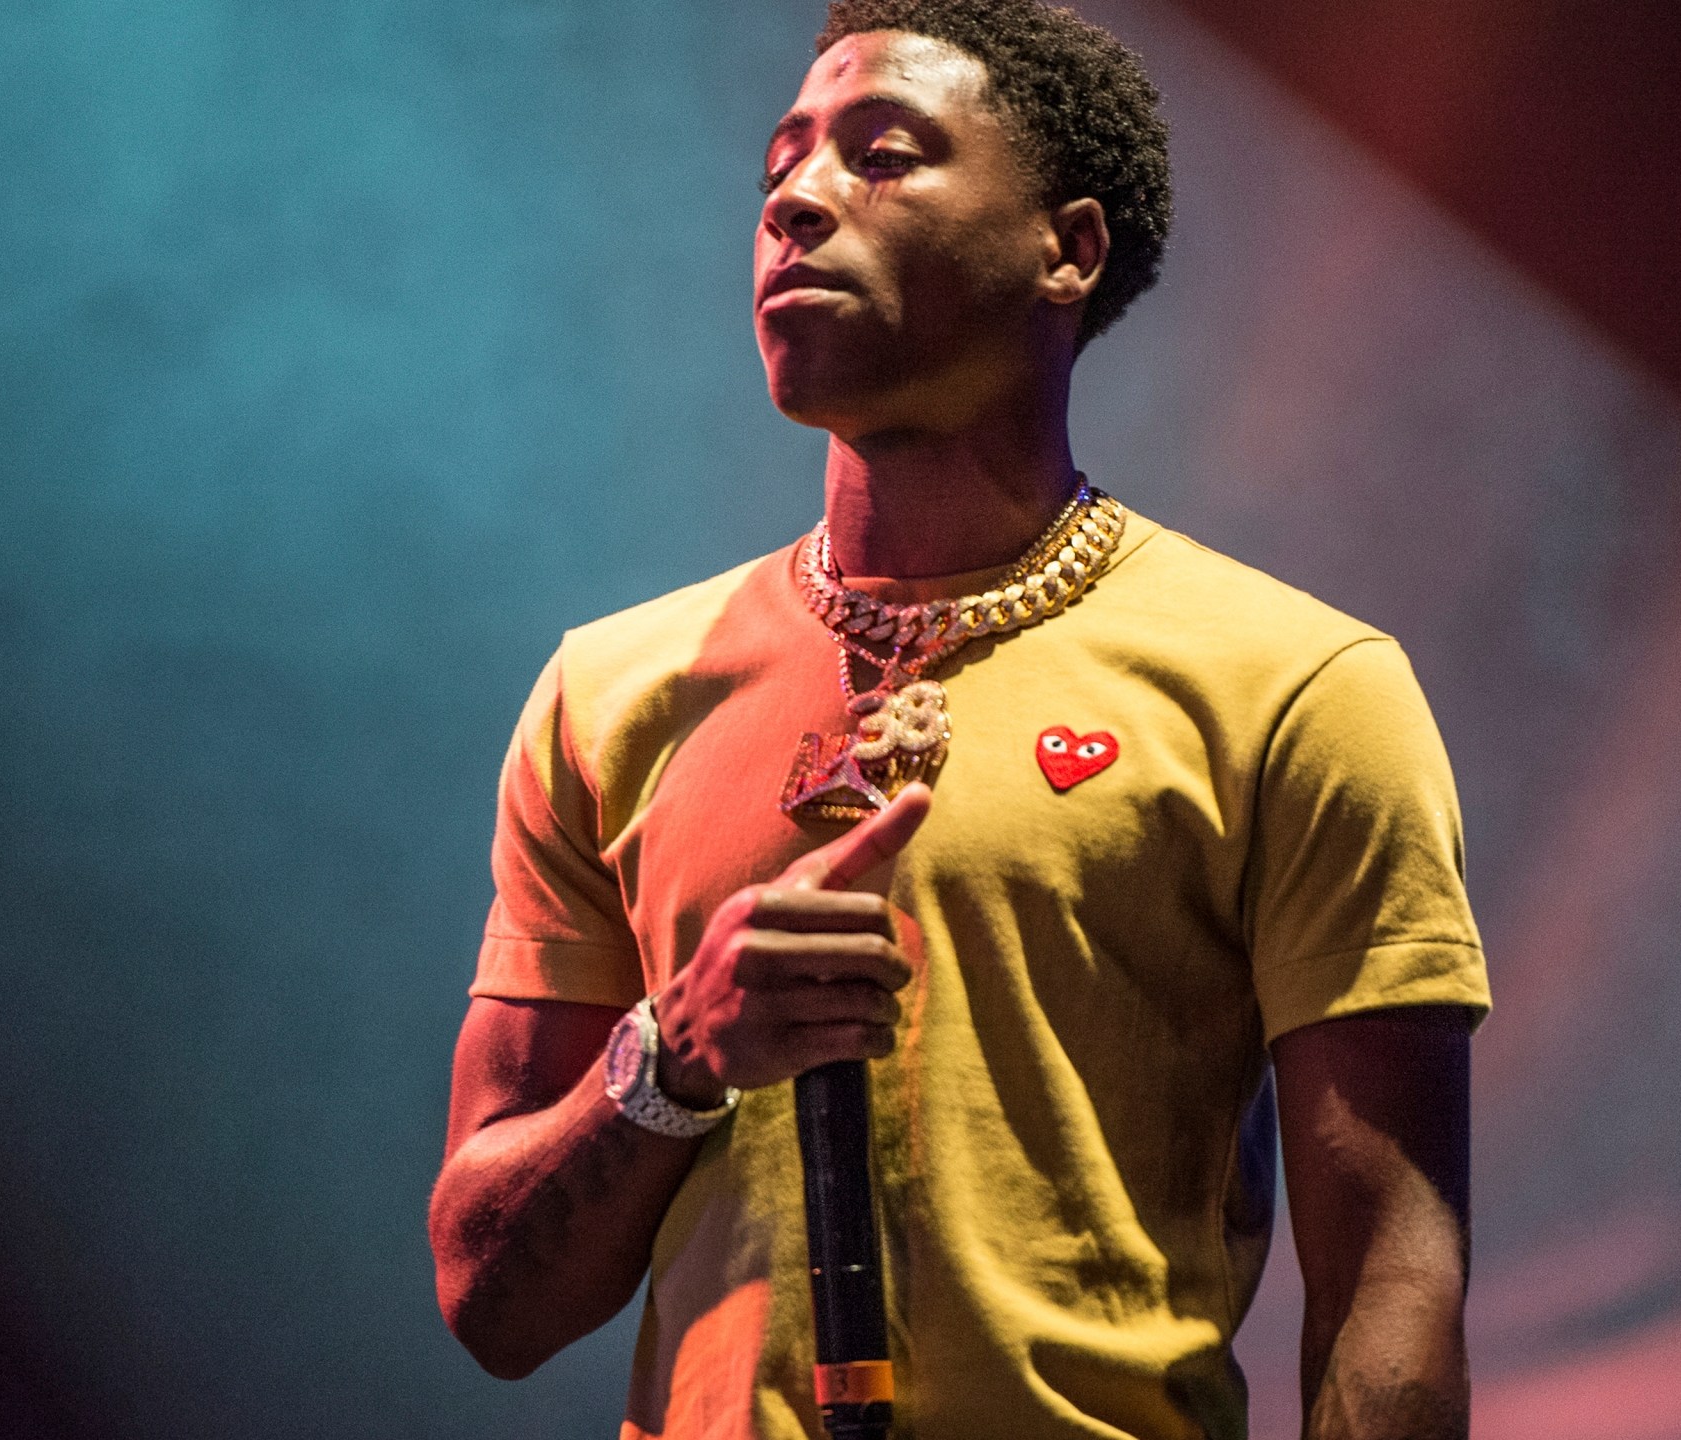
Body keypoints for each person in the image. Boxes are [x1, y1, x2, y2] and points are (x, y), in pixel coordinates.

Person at [426, 3, 1490, 1436]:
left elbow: (1391, 1292)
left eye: (881, 155)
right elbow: (489, 1300)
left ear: (1068, 249)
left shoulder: (1296, 689)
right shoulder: (610, 694)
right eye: (780, 166)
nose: (796, 201)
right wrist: (670, 1057)